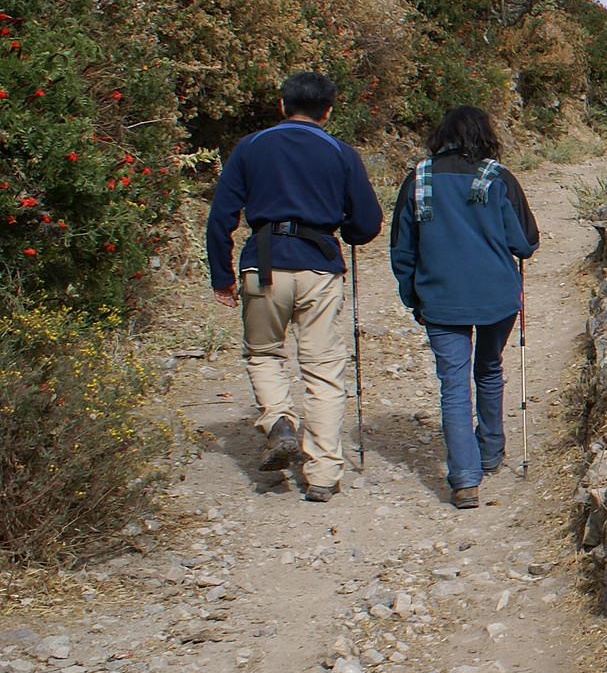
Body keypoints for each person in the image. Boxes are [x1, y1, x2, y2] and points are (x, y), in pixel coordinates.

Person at [206, 71, 384, 501]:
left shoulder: (249, 147)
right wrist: (348, 229)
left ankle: (279, 421)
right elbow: (367, 223)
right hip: (319, 265)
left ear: (283, 105)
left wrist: (222, 277)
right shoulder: (341, 152)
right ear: (329, 110)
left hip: (262, 263)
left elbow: (221, 216)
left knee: (264, 354)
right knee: (323, 371)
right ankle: (322, 474)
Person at [388, 106, 540, 509]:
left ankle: (464, 480)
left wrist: (413, 297)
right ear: (485, 135)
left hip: (440, 300)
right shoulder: (498, 178)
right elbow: (525, 243)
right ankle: (491, 452)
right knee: (488, 369)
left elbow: (402, 250)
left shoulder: (418, 179)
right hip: (497, 297)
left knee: (453, 385)